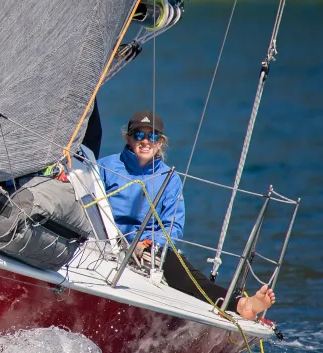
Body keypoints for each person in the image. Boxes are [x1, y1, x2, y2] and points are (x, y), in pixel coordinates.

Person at [98, 110, 275, 320]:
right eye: (139, 135)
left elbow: (174, 227)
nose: (145, 141)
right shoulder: (104, 166)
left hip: (147, 248)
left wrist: (147, 242)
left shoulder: (170, 178)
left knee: (182, 273)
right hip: (104, 241)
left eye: (152, 136)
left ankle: (241, 304)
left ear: (161, 142)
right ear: (128, 137)